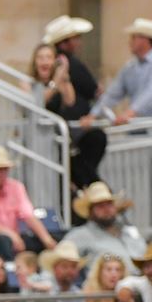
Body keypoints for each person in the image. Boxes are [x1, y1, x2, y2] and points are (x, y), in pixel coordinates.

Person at [38, 15, 106, 190]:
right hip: (62, 132)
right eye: (75, 38)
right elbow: (92, 89)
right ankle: (99, 194)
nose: (79, 43)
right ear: (64, 42)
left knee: (83, 157)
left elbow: (71, 99)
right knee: (90, 147)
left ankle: (96, 193)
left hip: (71, 131)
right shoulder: (67, 64)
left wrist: (65, 81)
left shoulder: (67, 67)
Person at [93, 18, 152, 125]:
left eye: (134, 37)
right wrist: (93, 114)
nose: (130, 41)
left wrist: (130, 112)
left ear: (145, 39)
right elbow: (113, 93)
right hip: (136, 124)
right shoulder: (129, 67)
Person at [66, 180, 145, 269]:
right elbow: (59, 259)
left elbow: (145, 253)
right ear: (90, 212)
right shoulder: (81, 235)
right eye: (100, 206)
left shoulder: (128, 231)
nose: (106, 209)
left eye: (109, 204)